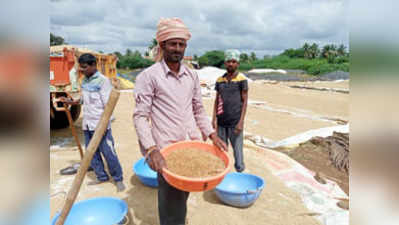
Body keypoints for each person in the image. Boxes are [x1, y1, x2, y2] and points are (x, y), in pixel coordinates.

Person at [133, 18, 227, 225]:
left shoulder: (191, 76)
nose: (177, 48)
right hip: (166, 151)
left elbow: (198, 109)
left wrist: (212, 134)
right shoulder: (148, 77)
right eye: (172, 43)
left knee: (183, 197)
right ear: (162, 45)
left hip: (192, 146)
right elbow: (140, 116)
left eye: (181, 44)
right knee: (171, 206)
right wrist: (151, 149)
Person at [61, 53, 125, 192]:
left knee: (108, 152)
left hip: (100, 125)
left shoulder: (103, 81)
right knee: (91, 153)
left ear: (93, 66)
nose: (81, 70)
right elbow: (84, 100)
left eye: (84, 67)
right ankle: (102, 176)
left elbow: (109, 104)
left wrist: (103, 125)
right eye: (80, 67)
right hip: (88, 124)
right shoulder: (84, 81)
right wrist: (72, 102)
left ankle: (118, 178)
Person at [212, 49, 248, 172]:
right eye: (228, 61)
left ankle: (240, 173)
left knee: (238, 152)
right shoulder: (219, 80)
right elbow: (217, 100)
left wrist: (241, 122)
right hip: (221, 122)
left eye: (233, 61)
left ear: (237, 63)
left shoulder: (241, 79)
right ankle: (221, 175)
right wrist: (214, 119)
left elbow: (245, 101)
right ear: (225, 63)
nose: (231, 64)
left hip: (235, 123)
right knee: (221, 151)